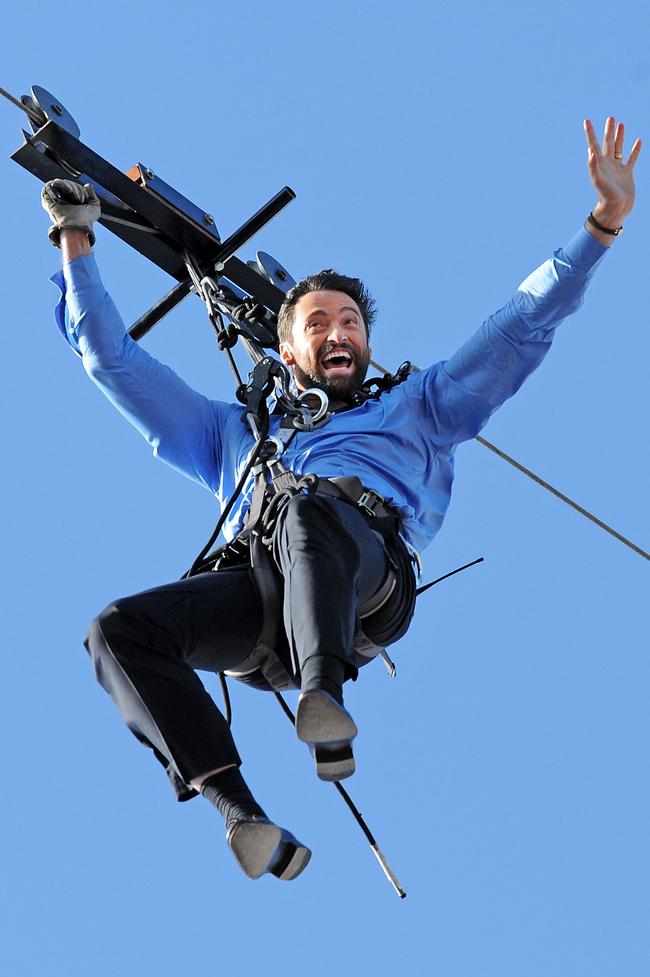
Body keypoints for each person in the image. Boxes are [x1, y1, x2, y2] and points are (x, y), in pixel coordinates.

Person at [42, 117, 640, 882]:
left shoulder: (422, 407)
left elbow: (519, 328)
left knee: (310, 506)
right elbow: (113, 362)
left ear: (365, 346)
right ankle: (239, 811)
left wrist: (602, 225)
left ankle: (326, 706)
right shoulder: (234, 435)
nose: (338, 334)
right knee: (117, 629)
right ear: (287, 351)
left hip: (365, 585)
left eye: (350, 324)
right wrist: (76, 245)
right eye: (317, 322)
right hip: (265, 605)